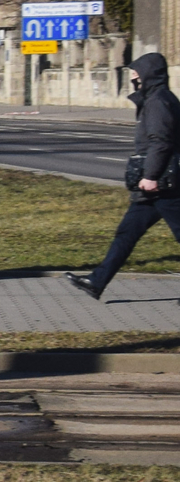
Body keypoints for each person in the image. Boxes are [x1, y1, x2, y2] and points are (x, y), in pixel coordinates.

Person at [69, 52, 180, 300]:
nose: (132, 76)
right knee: (126, 234)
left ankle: (96, 281)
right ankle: (96, 282)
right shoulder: (155, 98)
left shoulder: (158, 101)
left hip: (164, 184)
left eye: (135, 71)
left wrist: (150, 176)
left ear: (148, 74)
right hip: (154, 186)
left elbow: (161, 142)